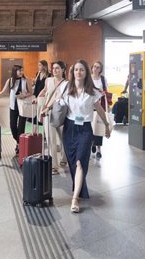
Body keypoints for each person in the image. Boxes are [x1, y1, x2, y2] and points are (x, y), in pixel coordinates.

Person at [44, 60, 110, 213]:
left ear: (86, 73)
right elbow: (57, 100)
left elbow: (99, 109)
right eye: (76, 70)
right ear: (72, 73)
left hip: (85, 130)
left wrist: (106, 125)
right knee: (73, 163)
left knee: (80, 162)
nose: (78, 72)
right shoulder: (67, 88)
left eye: (81, 70)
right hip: (69, 128)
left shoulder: (92, 91)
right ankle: (80, 190)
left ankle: (74, 199)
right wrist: (46, 108)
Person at [38, 61, 68, 173]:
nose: (55, 70)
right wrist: (38, 97)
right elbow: (45, 91)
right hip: (47, 113)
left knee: (63, 138)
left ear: (63, 70)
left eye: (58, 68)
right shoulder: (48, 80)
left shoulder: (66, 83)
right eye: (54, 68)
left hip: (60, 113)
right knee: (51, 139)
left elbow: (60, 99)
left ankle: (64, 158)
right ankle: (54, 165)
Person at [0, 64, 30, 155]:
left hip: (23, 107)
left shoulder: (25, 80)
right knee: (12, 125)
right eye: (19, 70)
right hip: (13, 106)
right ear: (15, 71)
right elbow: (4, 91)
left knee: (21, 127)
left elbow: (31, 92)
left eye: (22, 70)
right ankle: (19, 141)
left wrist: (24, 95)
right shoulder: (10, 80)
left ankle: (19, 145)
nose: (21, 72)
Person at [90, 61, 109, 159]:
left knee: (99, 127)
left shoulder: (102, 79)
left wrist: (102, 92)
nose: (95, 69)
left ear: (100, 69)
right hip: (90, 106)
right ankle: (92, 143)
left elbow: (106, 91)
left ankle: (98, 149)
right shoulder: (88, 79)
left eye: (98, 67)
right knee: (91, 127)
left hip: (100, 105)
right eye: (94, 66)